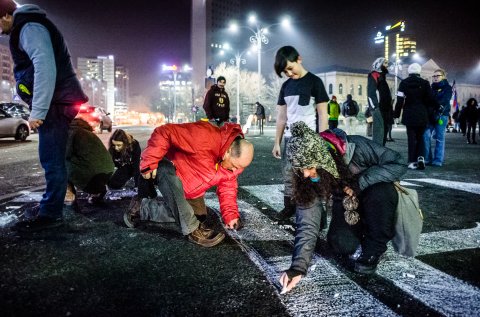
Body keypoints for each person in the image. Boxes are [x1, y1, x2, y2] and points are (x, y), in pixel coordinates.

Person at [278, 122, 406, 293]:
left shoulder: (358, 147)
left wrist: (361, 182)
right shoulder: (306, 177)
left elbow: (399, 162)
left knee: (381, 192)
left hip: (374, 194)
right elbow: (307, 222)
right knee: (341, 245)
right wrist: (298, 268)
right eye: (300, 170)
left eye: (308, 167)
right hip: (347, 203)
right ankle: (361, 228)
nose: (306, 174)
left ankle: (375, 246)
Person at [2, 1, 89, 232]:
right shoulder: (30, 25)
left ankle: (50, 215)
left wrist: (38, 111)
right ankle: (55, 205)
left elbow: (44, 66)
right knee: (54, 158)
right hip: (58, 100)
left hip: (55, 103)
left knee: (51, 159)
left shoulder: (29, 27)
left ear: (6, 15)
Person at [124, 121, 254, 247]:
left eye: (240, 168)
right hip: (167, 169)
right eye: (234, 166)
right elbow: (164, 132)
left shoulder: (234, 165)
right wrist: (150, 162)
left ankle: (141, 208)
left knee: (199, 215)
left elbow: (228, 189)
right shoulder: (204, 135)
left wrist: (231, 216)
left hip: (189, 190)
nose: (235, 171)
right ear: (228, 151)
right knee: (168, 175)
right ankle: (193, 231)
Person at [272, 46, 329, 223]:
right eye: (284, 71)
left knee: (312, 175)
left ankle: (320, 212)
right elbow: (282, 117)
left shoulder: (315, 82)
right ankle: (289, 206)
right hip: (290, 139)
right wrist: (277, 142)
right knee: (289, 174)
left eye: (290, 68)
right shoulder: (286, 86)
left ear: (299, 59)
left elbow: (323, 115)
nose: (288, 73)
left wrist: (323, 140)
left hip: (309, 139)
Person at [394, 63, 438, 170]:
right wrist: (436, 106)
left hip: (409, 114)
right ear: (419, 72)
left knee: (411, 138)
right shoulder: (425, 83)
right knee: (421, 137)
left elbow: (399, 100)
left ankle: (412, 161)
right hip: (422, 114)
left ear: (409, 71)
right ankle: (421, 157)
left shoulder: (403, 83)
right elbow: (431, 99)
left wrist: (396, 114)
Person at [65, 118, 114, 209]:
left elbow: (65, 154)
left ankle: (69, 193)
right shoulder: (89, 133)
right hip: (107, 175)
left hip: (91, 179)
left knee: (59, 162)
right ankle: (99, 190)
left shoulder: (72, 132)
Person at [423, 69, 453, 166]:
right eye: (434, 76)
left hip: (441, 115)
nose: (435, 78)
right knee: (426, 136)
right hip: (430, 115)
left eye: (437, 76)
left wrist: (435, 103)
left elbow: (445, 99)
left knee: (440, 138)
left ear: (443, 76)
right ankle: (427, 159)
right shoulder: (431, 88)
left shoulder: (447, 88)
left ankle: (438, 160)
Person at [367, 57, 392, 146]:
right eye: (385, 63)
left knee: (384, 132)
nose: (387, 65)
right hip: (378, 109)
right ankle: (376, 155)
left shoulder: (382, 76)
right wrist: (375, 107)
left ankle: (381, 154)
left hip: (385, 109)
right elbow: (371, 93)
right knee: (379, 133)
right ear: (379, 64)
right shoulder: (374, 74)